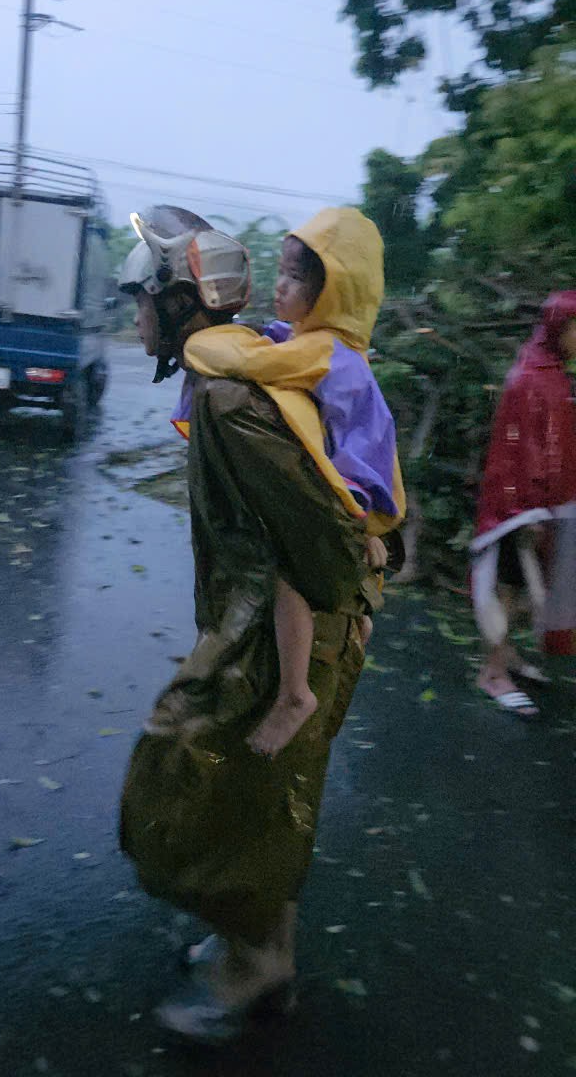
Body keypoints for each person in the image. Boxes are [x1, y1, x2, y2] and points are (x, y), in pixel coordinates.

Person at [117, 204, 400, 1044]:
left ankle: (258, 967)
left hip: (291, 634)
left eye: (143, 298)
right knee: (258, 799)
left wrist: (291, 687)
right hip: (267, 626)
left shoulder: (233, 401)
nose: (133, 314)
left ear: (180, 304)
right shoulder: (223, 381)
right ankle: (258, 949)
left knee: (205, 786)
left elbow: (313, 545)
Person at [182, 211, 404, 756]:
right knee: (336, 581)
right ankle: (355, 628)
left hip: (352, 489)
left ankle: (294, 692)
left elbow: (242, 360)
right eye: (280, 271)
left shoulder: (324, 350)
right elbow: (274, 344)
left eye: (298, 277)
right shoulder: (322, 344)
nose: (281, 285)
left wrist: (204, 342)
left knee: (288, 573)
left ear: (333, 291)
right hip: (366, 490)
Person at [471, 291, 576, 717]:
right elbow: (516, 451)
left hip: (538, 508)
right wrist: (525, 512)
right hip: (518, 510)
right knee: (509, 590)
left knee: (523, 591)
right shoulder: (531, 377)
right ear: (558, 328)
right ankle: (491, 672)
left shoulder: (550, 371)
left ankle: (507, 657)